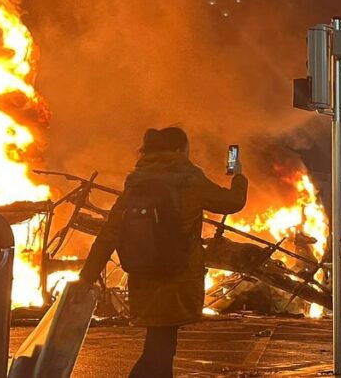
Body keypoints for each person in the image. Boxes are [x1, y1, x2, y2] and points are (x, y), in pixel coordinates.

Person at [79, 127, 248, 378]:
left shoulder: (137, 182)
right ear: (179, 150)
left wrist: (86, 277)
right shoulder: (188, 179)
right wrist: (239, 175)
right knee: (159, 350)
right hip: (176, 277)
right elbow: (232, 202)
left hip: (143, 277)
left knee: (160, 346)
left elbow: (109, 234)